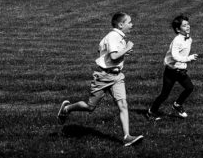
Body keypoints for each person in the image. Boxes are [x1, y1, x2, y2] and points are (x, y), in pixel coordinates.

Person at [57, 12, 143, 147]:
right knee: (90, 107)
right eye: (129, 22)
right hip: (103, 77)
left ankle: (127, 137)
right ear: (121, 25)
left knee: (123, 104)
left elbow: (105, 53)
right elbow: (114, 57)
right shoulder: (113, 36)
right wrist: (127, 48)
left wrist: (124, 51)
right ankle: (67, 108)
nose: (131, 25)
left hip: (117, 77)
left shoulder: (117, 37)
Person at [146, 14, 198, 121]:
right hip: (171, 71)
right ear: (178, 30)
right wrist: (188, 59)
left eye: (188, 24)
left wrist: (184, 64)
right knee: (164, 94)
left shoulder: (189, 39)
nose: (188, 26)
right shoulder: (177, 40)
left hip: (180, 71)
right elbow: (174, 56)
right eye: (184, 25)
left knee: (189, 88)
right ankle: (151, 112)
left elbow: (181, 55)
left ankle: (177, 105)